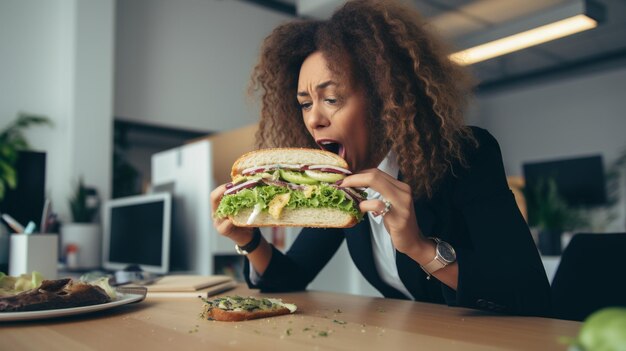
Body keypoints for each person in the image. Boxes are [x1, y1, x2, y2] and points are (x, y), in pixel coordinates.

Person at [210, 0, 551, 316]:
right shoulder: (342, 190)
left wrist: (420, 248)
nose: (314, 119)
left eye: (331, 98)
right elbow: (292, 276)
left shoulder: (467, 153)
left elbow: (529, 294)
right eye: (305, 103)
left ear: (382, 98)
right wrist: (248, 239)